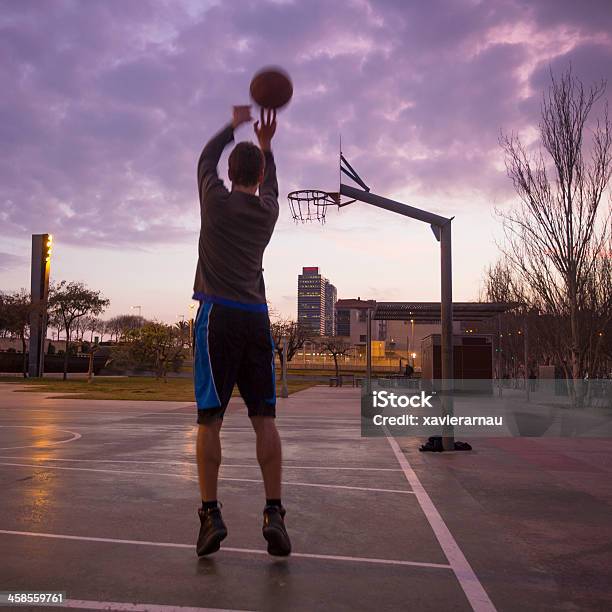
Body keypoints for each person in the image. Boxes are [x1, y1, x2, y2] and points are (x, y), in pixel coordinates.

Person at [192, 105, 290, 557]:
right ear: (259, 173)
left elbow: (204, 159)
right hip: (255, 320)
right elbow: (272, 187)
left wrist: (233, 124)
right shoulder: (266, 213)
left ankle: (210, 514)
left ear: (231, 172)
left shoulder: (214, 201)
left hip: (219, 317)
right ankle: (274, 512)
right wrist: (267, 145)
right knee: (264, 419)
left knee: (210, 419)